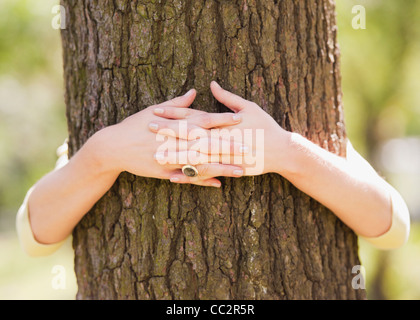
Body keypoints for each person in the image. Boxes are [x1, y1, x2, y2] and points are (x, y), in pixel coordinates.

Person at [16, 82, 410, 257]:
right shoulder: (95, 144)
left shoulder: (316, 132)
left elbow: (392, 229)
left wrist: (287, 152)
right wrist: (105, 152)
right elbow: (34, 235)